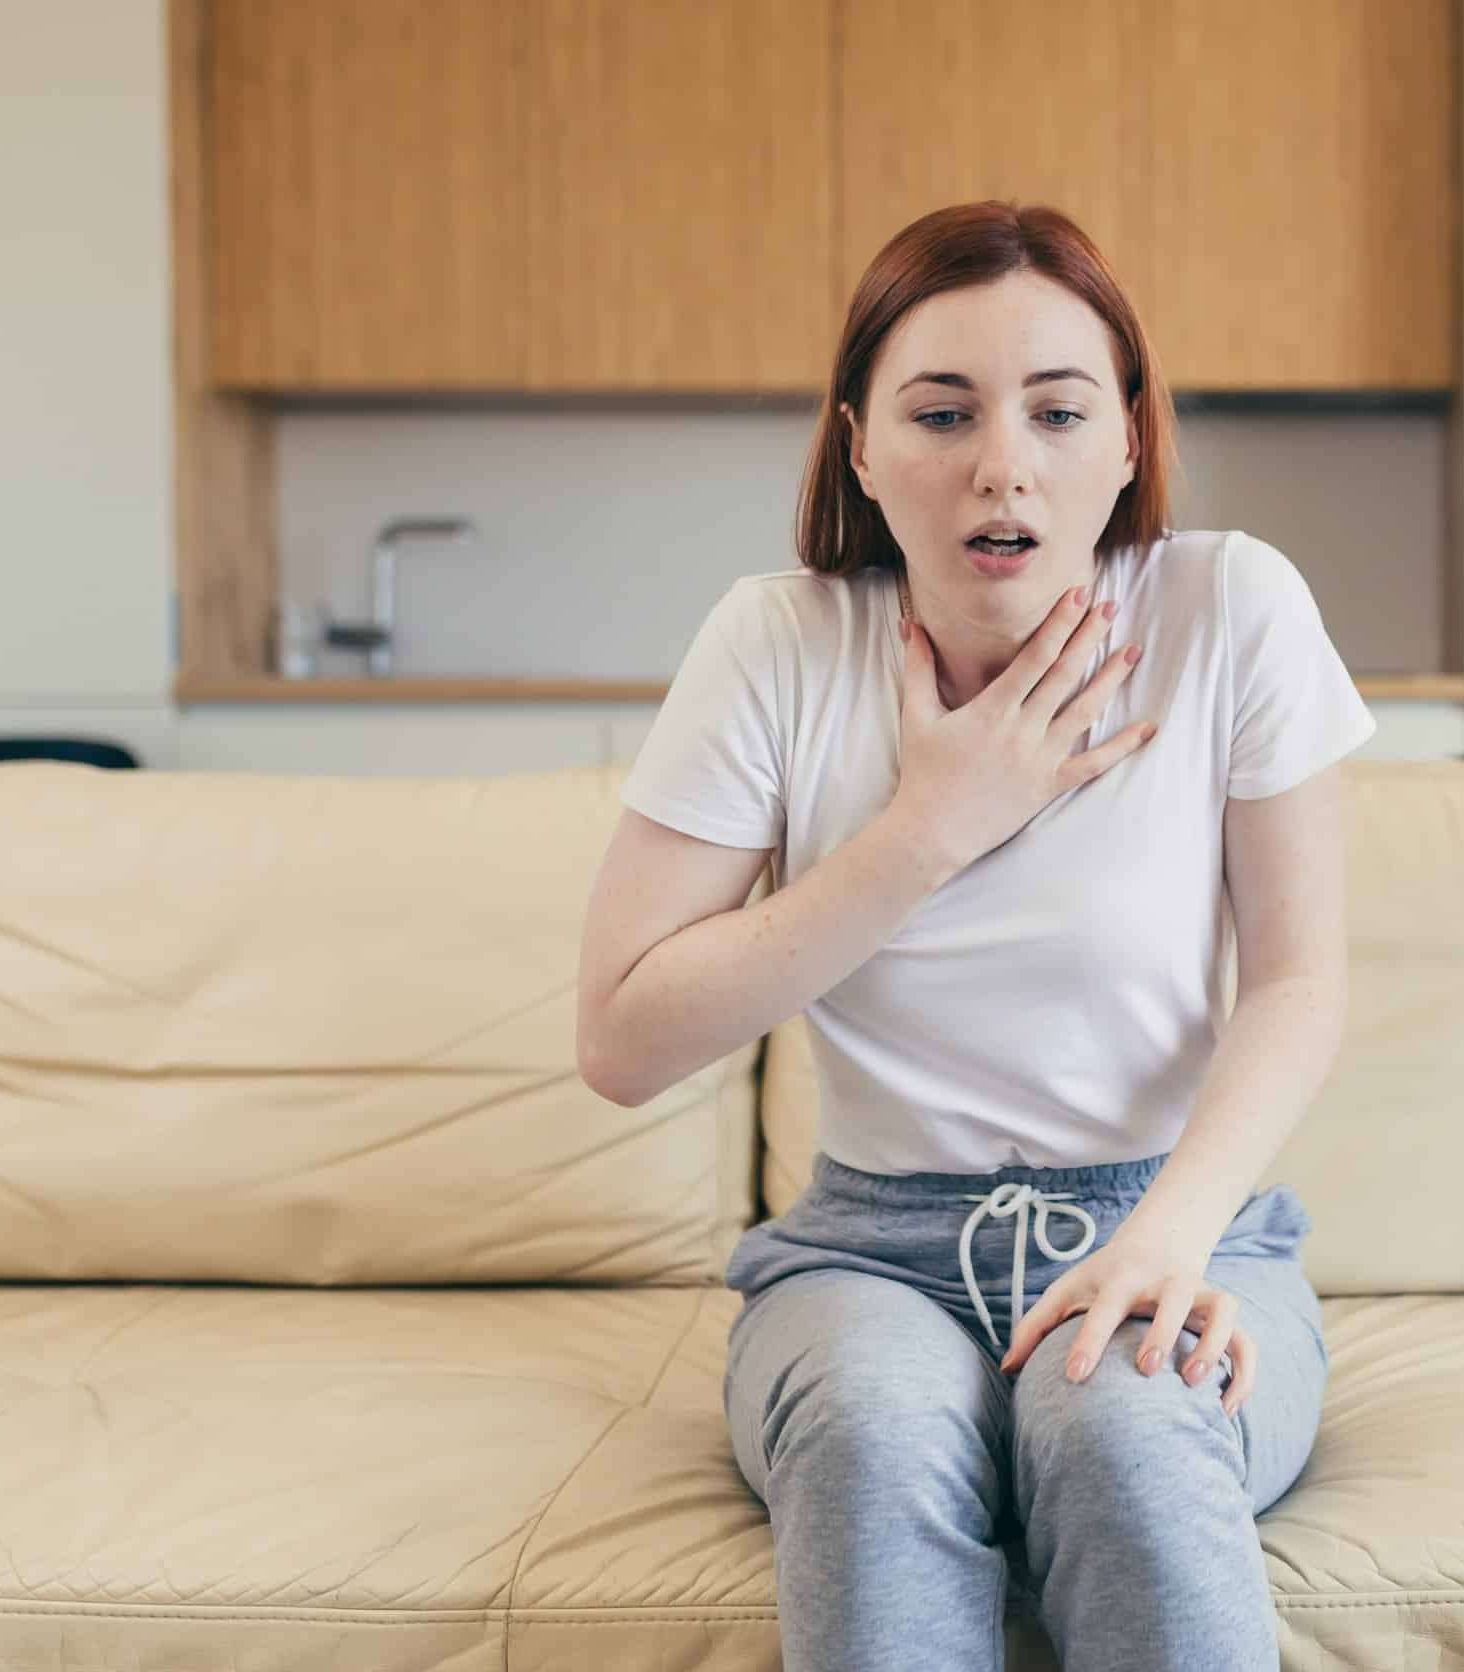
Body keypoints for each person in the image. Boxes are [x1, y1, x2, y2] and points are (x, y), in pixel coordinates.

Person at [576, 199, 1377, 1671]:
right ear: (863, 446)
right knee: (877, 1439)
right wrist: (929, 827)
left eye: (1058, 412)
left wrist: (1170, 1236)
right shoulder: (778, 643)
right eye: (941, 413)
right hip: (869, 1258)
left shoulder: (1229, 609)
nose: (1002, 463)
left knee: (1125, 1433)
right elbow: (622, 1041)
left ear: (1128, 438)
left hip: (1172, 1218)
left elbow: (1300, 983)